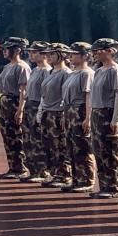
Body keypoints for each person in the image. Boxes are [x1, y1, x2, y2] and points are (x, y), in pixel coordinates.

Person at [88, 38, 118, 199]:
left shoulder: (115, 71)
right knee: (99, 151)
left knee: (111, 151)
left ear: (110, 51)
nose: (95, 53)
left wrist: (116, 118)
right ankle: (104, 185)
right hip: (97, 113)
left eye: (98, 50)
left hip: (108, 113)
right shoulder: (99, 70)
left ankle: (113, 187)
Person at [37, 43, 73, 187]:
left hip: (58, 113)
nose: (48, 56)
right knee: (49, 145)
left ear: (61, 55)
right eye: (48, 53)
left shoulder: (66, 73)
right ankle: (54, 173)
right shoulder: (51, 72)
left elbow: (66, 96)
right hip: (48, 112)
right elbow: (44, 95)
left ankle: (64, 175)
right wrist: (41, 110)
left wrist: (64, 114)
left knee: (60, 146)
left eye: (52, 53)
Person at [61, 42, 96, 193]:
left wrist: (88, 118)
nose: (71, 56)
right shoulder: (72, 74)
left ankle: (86, 180)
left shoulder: (87, 73)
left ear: (85, 56)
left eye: (74, 54)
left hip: (80, 110)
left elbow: (88, 97)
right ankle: (76, 179)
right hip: (70, 111)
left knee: (82, 147)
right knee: (72, 147)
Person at [0, 37, 32, 179]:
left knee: (17, 136)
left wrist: (20, 109)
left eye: (8, 49)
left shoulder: (22, 67)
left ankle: (21, 168)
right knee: (7, 136)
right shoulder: (7, 67)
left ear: (17, 50)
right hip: (5, 102)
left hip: (15, 102)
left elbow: (23, 90)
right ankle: (13, 167)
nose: (4, 51)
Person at [20, 41, 52, 183]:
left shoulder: (47, 71)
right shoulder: (35, 70)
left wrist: (40, 111)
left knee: (38, 140)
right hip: (29, 105)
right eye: (30, 52)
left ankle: (41, 171)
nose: (31, 55)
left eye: (34, 52)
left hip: (38, 106)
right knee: (28, 139)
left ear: (44, 54)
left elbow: (46, 93)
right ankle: (33, 169)